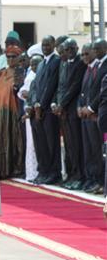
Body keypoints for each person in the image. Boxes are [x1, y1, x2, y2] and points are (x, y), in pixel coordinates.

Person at [52, 39, 86, 189]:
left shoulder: (80, 63)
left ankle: (79, 175)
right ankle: (71, 174)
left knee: (76, 145)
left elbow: (74, 87)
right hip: (63, 110)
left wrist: (62, 104)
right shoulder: (63, 63)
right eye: (66, 49)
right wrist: (56, 104)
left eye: (72, 48)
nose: (69, 51)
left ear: (76, 48)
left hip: (72, 110)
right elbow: (60, 86)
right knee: (68, 145)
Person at [0, 44, 25, 178]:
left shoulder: (20, 72)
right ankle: (0, 169)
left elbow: (19, 91)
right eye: (8, 57)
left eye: (13, 57)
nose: (10, 59)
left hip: (13, 111)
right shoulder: (1, 72)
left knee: (12, 140)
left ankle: (12, 169)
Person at [29, 36, 61, 184]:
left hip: (48, 109)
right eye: (44, 45)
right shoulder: (41, 64)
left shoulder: (56, 61)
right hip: (38, 109)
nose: (45, 47)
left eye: (48, 44)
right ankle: (44, 171)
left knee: (51, 143)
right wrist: (35, 103)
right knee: (41, 143)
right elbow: (35, 86)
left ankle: (54, 173)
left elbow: (51, 86)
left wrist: (41, 105)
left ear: (53, 45)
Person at [79, 40, 106, 193]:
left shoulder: (105, 65)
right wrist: (80, 106)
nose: (95, 51)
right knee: (89, 148)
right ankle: (92, 179)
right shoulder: (93, 66)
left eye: (97, 48)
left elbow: (101, 92)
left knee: (97, 149)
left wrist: (90, 108)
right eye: (94, 49)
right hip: (87, 115)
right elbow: (85, 89)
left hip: (97, 114)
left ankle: (100, 181)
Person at [19, 53, 43, 181]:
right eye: (32, 64)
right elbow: (26, 93)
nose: (34, 66)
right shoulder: (31, 75)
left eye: (36, 64)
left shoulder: (41, 75)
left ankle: (38, 171)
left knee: (38, 144)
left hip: (39, 113)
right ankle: (32, 172)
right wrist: (28, 107)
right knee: (32, 144)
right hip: (30, 113)